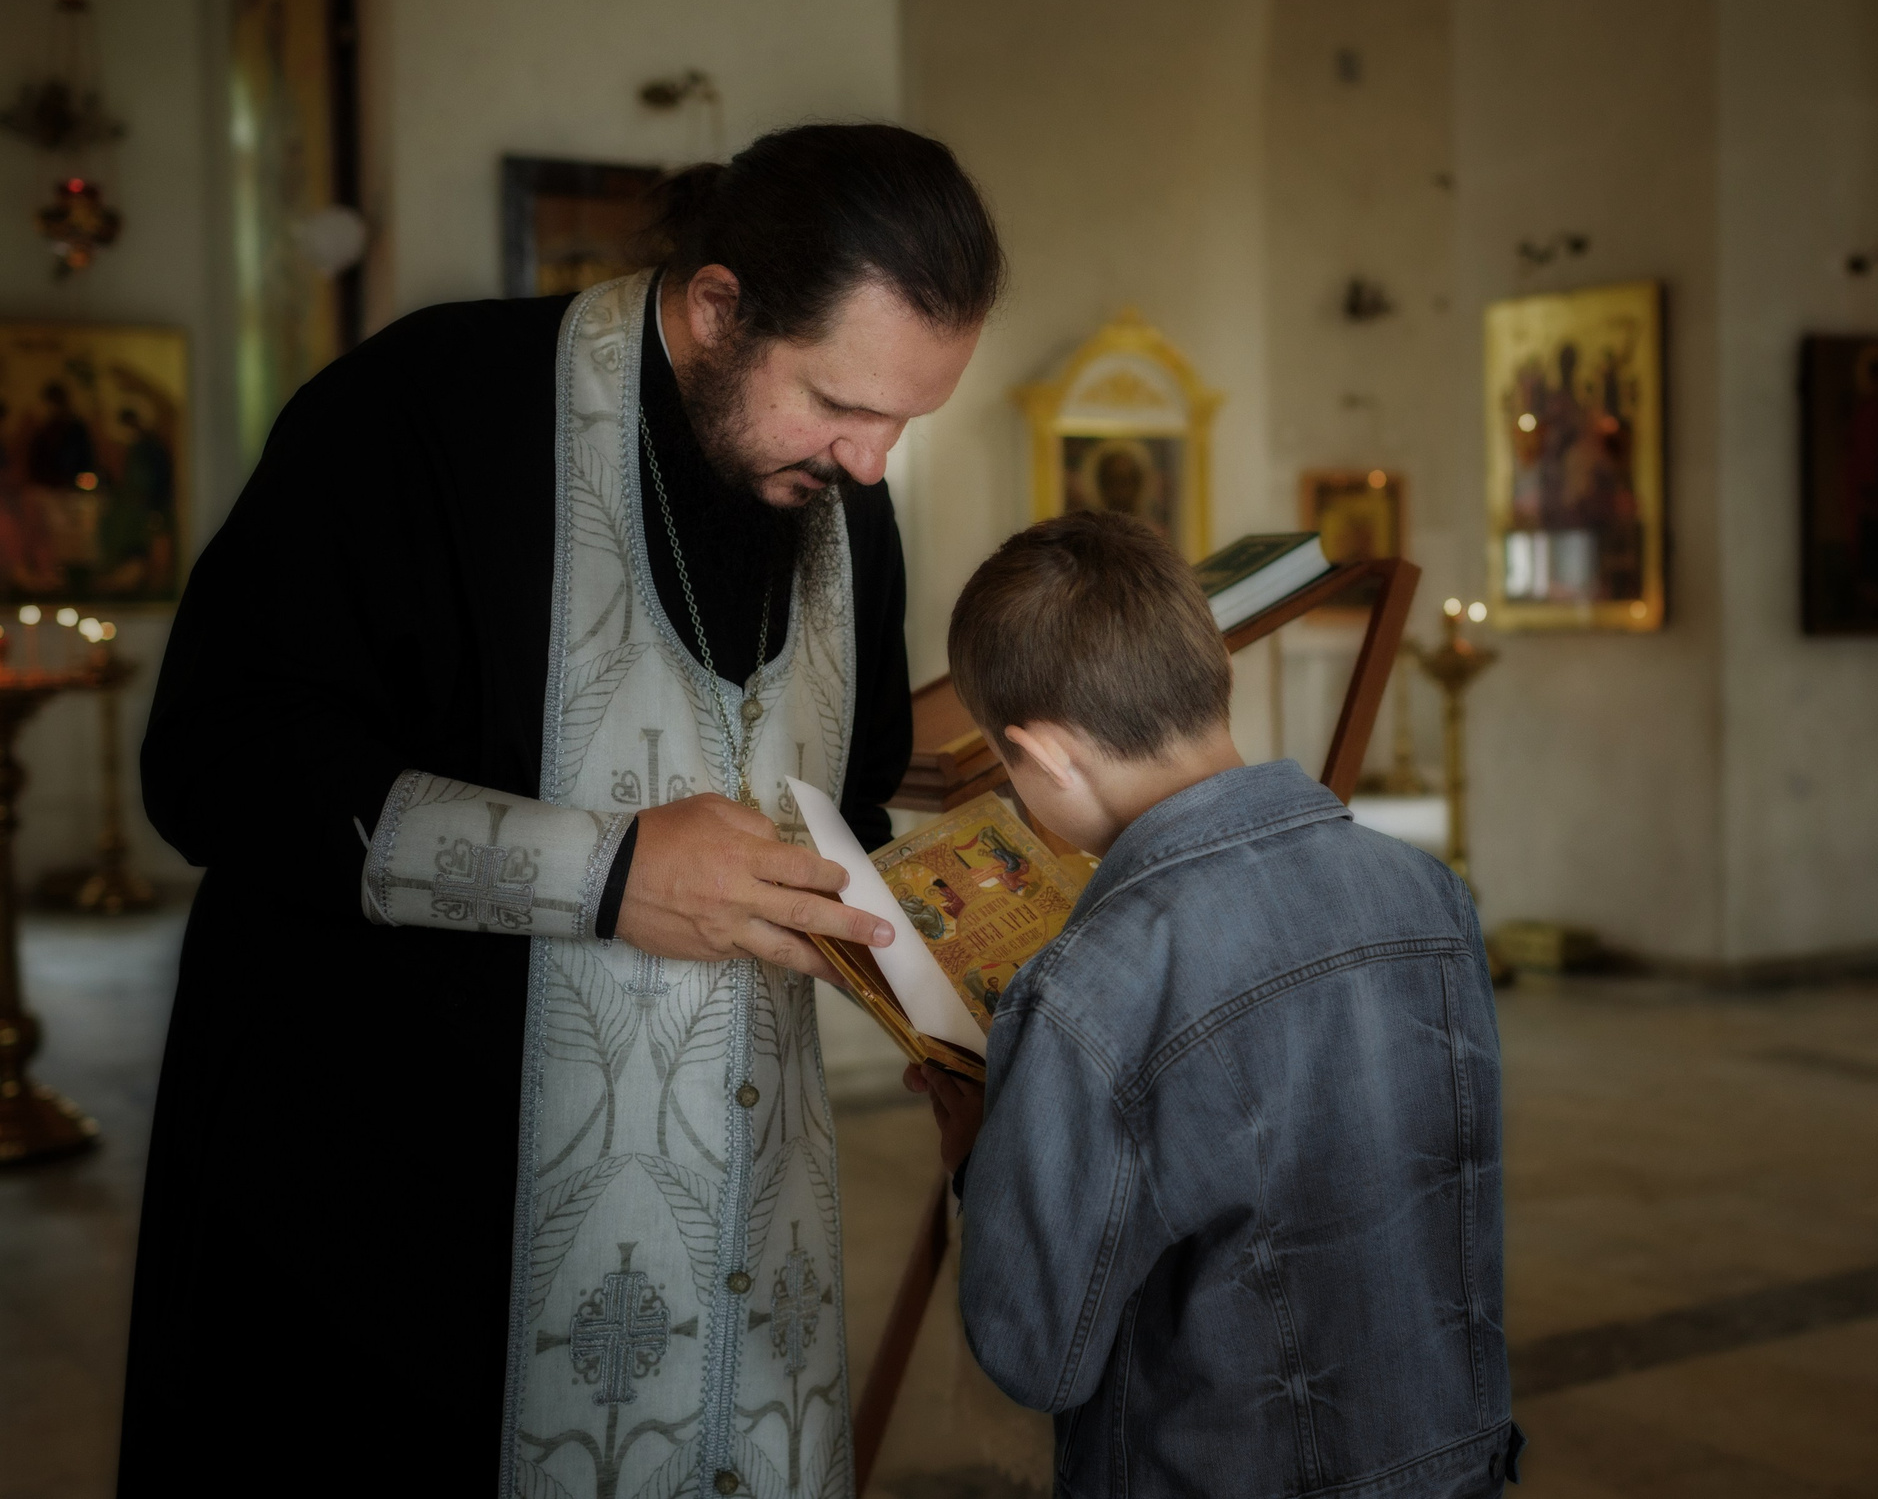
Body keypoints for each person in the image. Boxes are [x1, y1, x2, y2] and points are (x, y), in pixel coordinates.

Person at [121, 123, 1004, 1499]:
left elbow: (856, 790)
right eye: (842, 400)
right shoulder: (425, 406)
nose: (875, 463)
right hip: (398, 1216)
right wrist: (606, 872)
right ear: (717, 308)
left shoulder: (840, 495)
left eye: (907, 419)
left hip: (735, 1228)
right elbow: (217, 759)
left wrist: (950, 986)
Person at [910, 511, 1522, 1495]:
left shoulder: (1089, 987)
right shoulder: (1427, 894)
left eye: (1007, 765)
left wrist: (987, 1155)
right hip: (1448, 1464)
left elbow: (1037, 1352)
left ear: (1048, 755)